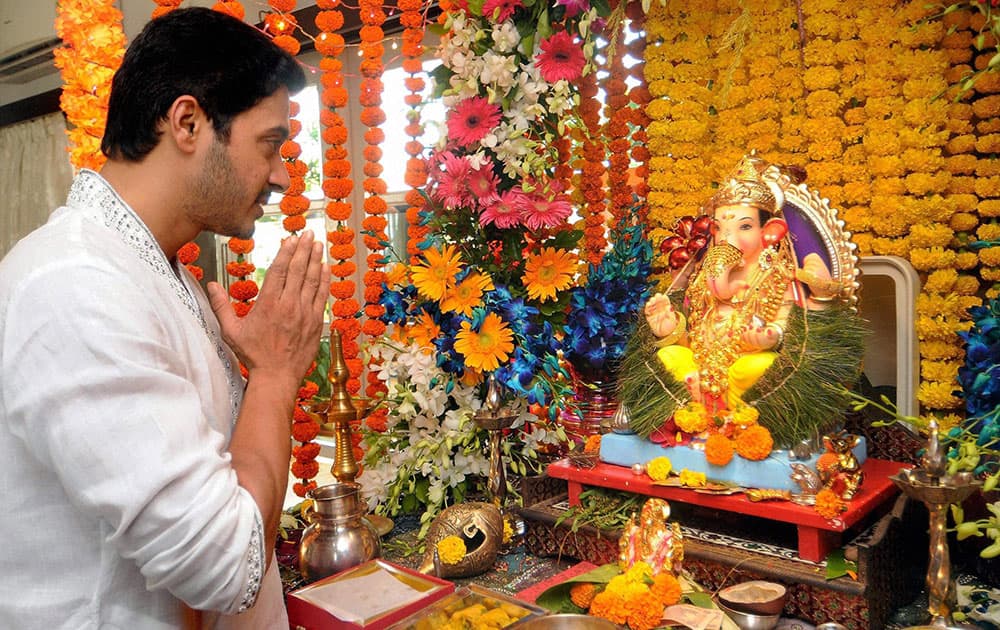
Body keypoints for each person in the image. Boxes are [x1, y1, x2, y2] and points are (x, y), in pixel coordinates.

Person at [0, 8, 327, 629]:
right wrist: (277, 376)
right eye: (270, 143)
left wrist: (261, 368)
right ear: (187, 122)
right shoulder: (74, 284)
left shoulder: (154, 269)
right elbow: (225, 566)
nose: (283, 177)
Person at [643, 156, 838, 413]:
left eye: (744, 226)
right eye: (719, 227)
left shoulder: (779, 278)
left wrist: (770, 337)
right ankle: (705, 399)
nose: (728, 238)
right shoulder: (703, 279)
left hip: (745, 369)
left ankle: (727, 404)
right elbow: (696, 340)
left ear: (769, 231)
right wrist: (671, 330)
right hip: (702, 366)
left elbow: (796, 338)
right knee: (668, 357)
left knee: (761, 365)